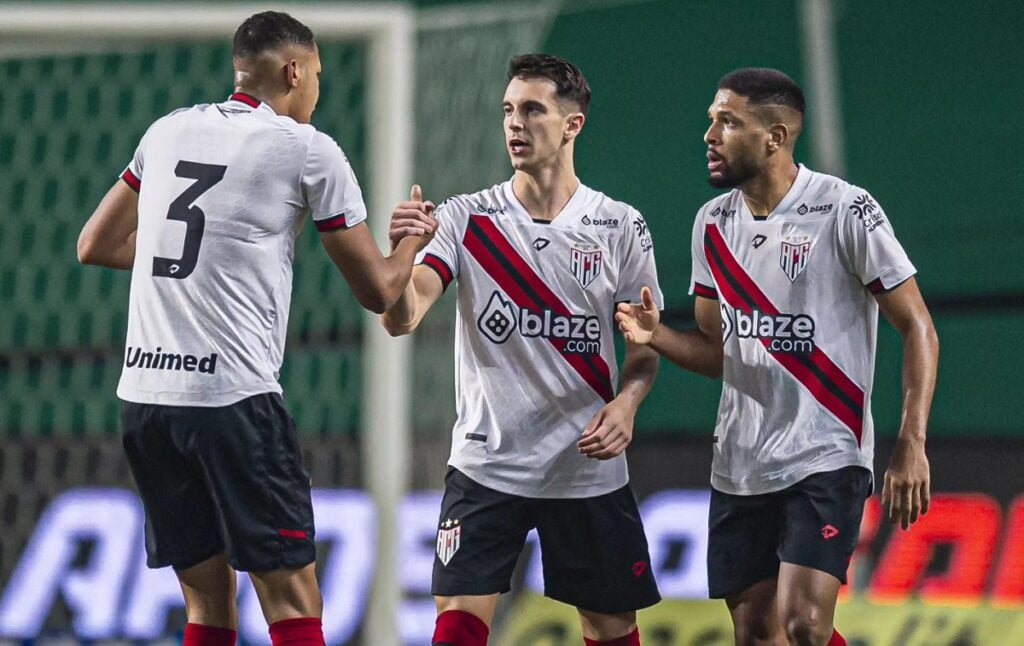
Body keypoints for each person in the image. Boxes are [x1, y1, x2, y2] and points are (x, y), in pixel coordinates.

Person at [76, 11, 436, 646]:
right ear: (294, 71)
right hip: (233, 402)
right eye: (318, 74)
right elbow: (380, 291)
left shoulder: (166, 131)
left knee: (206, 606)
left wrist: (198, 253)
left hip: (146, 401)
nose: (318, 88)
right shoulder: (307, 148)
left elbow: (95, 244)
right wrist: (409, 242)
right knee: (293, 599)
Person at [615, 68, 938, 646]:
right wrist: (656, 334)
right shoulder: (712, 224)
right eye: (711, 121)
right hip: (740, 463)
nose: (709, 135)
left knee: (804, 626)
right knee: (759, 635)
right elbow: (718, 354)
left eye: (728, 122)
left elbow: (917, 326)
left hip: (826, 455)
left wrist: (911, 441)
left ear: (776, 136)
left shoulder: (845, 210)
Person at [382, 54, 662, 646]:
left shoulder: (620, 226)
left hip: (584, 468)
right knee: (455, 624)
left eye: (533, 110)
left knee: (611, 629)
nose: (515, 123)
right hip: (489, 464)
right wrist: (403, 252)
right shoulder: (464, 219)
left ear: (572, 125)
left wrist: (628, 405)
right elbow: (403, 317)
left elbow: (644, 350)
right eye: (508, 110)